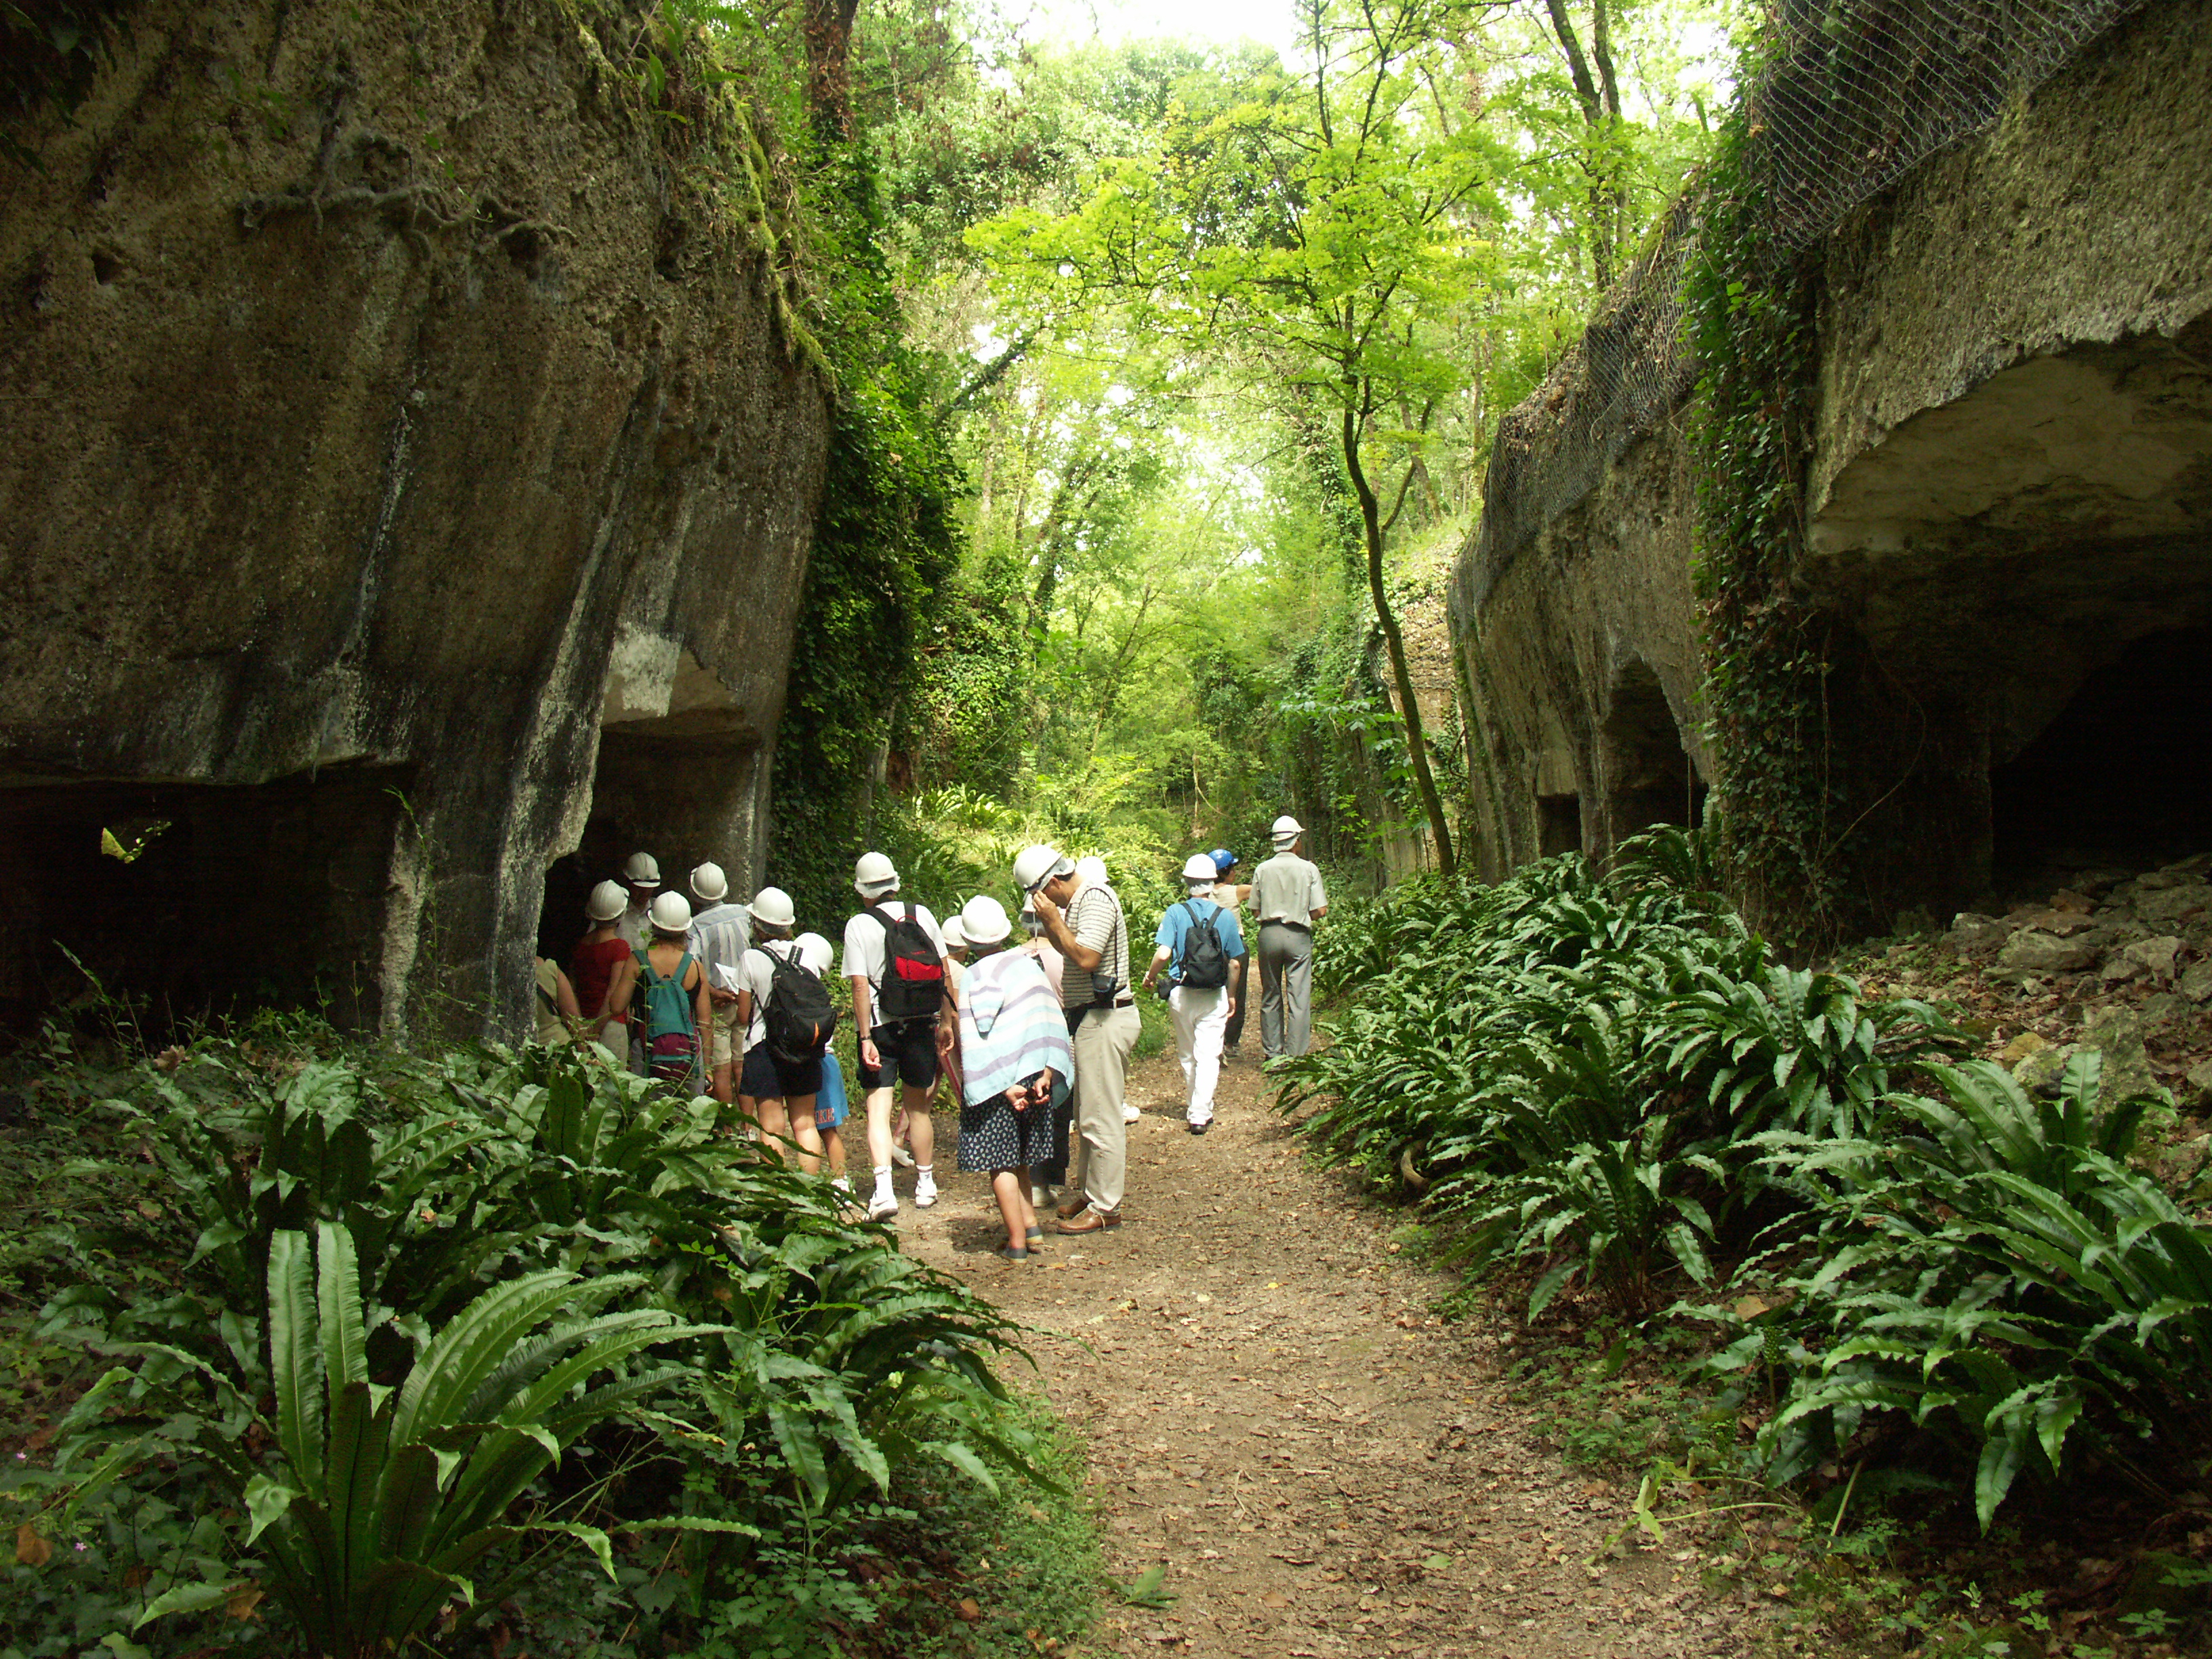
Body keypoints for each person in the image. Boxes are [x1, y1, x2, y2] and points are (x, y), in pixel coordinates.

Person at [1017, 843, 1139, 1235]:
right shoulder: (1079, 904)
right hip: (1089, 1019)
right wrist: (1055, 921)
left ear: (1052, 882)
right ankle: (1090, 1192)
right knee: (1086, 1113)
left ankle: (1107, 1206)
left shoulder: (1097, 897)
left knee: (1101, 1117)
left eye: (1041, 894)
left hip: (1106, 1016)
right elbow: (1069, 949)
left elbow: (1085, 958)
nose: (1042, 902)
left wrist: (1053, 918)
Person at [953, 895, 1071, 1263]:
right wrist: (1049, 1070)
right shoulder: (1027, 967)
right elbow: (1050, 1018)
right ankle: (1032, 1228)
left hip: (999, 1083)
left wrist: (1000, 1085)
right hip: (1036, 1074)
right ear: (1005, 933)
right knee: (1021, 1155)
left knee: (1000, 1161)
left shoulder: (973, 976)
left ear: (969, 941)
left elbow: (973, 1038)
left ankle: (1016, 1242)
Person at [842, 852, 951, 1221]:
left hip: (881, 1025)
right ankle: (926, 1185)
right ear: (894, 883)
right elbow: (944, 972)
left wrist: (864, 1037)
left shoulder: (859, 924)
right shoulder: (922, 915)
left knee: (878, 1110)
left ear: (862, 890)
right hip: (922, 1021)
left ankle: (884, 1191)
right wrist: (947, 1021)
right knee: (918, 1106)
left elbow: (859, 984)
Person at [1141, 853, 1246, 1134]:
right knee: (1209, 1055)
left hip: (1182, 993)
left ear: (1187, 882)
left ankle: (1193, 1104)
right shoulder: (1224, 916)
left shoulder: (1175, 912)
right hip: (1213, 995)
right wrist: (1231, 995)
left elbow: (1163, 953)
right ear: (1213, 883)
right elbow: (1235, 962)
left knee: (1188, 1053)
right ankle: (1200, 1113)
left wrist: (1150, 977)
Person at [735, 886, 829, 1172]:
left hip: (765, 1048)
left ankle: (778, 1192)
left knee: (772, 1126)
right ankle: (810, 1192)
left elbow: (742, 1015)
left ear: (758, 925)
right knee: (805, 1123)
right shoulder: (807, 956)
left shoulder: (751, 959)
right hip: (803, 1045)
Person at [602, 891, 710, 1088]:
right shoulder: (695, 967)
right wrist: (708, 1067)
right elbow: (705, 1021)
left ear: (654, 925)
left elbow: (616, 1006)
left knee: (649, 1114)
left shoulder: (638, 961)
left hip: (646, 1052)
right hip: (688, 1055)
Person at [1250, 815, 1328, 1060]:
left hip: (1269, 935)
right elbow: (1320, 911)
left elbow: (1255, 909)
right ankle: (1295, 1055)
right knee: (1299, 995)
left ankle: (1272, 1054)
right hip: (1298, 936)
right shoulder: (1309, 869)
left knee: (1271, 993)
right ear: (1295, 842)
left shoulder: (1262, 869)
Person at [685, 862, 752, 1106]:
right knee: (742, 1065)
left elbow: (692, 969)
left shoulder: (695, 927)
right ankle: (748, 1126)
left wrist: (712, 992)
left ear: (694, 894)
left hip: (717, 1002)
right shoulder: (743, 914)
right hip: (744, 998)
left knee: (721, 1070)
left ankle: (727, 1129)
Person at [1022, 903, 1070, 1212]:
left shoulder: (1010, 958)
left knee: (1026, 1110)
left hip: (1023, 1043)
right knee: (1057, 1111)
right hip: (1059, 1040)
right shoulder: (1064, 956)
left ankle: (1029, 1182)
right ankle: (1047, 1182)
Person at [797, 931, 853, 1196]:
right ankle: (831, 1179)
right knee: (820, 1128)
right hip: (819, 1064)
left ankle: (840, 1179)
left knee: (826, 1129)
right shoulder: (812, 988)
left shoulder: (806, 989)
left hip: (822, 1064)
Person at [570, 880, 634, 1052]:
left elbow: (572, 988)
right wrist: (596, 1030)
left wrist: (581, 1028)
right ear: (621, 913)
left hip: (582, 1022)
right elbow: (613, 992)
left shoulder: (580, 945)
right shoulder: (620, 947)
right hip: (610, 1025)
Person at [1208, 848, 1252, 1054]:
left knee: (1214, 991)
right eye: (1232, 868)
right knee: (1237, 993)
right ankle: (1230, 1042)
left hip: (1211, 947)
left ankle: (1212, 1037)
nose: (1235, 872)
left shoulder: (1205, 894)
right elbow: (1260, 889)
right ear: (1225, 871)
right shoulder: (1237, 891)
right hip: (1235, 946)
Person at [533, 957, 582, 1045]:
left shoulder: (502, 975)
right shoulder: (549, 968)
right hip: (558, 1047)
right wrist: (584, 1050)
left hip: (520, 1052)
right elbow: (572, 1018)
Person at [617, 851, 662, 947]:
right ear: (627, 882)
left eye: (649, 888)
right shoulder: (615, 910)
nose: (645, 893)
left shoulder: (659, 911)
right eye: (640, 888)